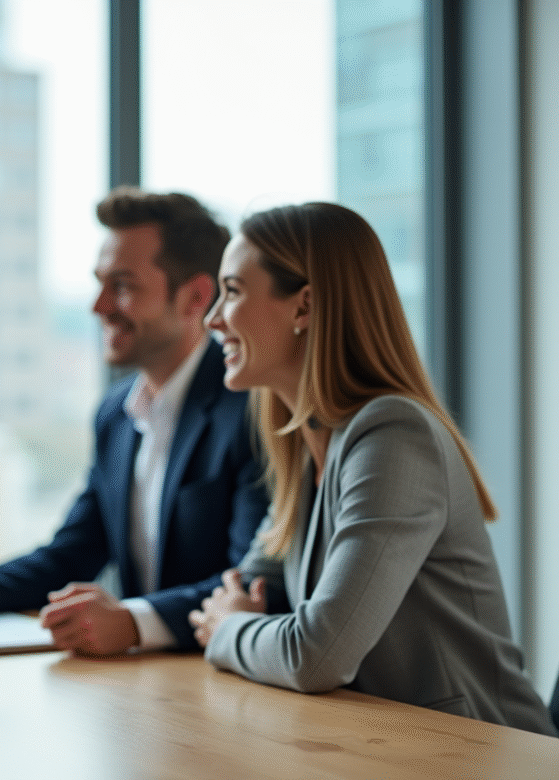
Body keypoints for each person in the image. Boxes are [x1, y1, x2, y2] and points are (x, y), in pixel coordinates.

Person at [0, 187, 270, 656]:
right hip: (146, 682)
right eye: (100, 282)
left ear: (195, 298)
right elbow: (71, 555)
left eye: (123, 286)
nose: (98, 306)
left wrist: (131, 623)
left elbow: (248, 583)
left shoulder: (251, 411)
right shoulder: (116, 413)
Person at [190, 201, 555, 735]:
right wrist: (240, 616)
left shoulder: (392, 436)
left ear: (306, 306)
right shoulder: (307, 446)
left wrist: (232, 627)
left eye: (234, 291)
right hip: (383, 746)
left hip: (482, 754)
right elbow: (241, 584)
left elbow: (316, 655)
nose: (212, 318)